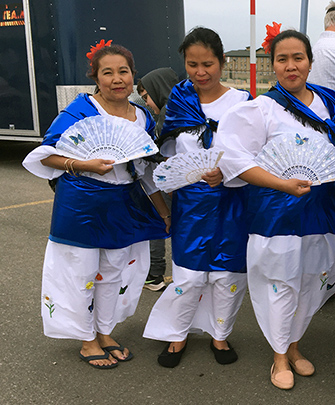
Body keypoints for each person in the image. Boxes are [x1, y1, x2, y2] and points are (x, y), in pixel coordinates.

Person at [214, 27, 335, 390]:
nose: (291, 66)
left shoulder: (331, 104)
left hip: (324, 212)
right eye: (282, 59)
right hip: (278, 213)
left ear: (310, 62)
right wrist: (281, 184)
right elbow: (234, 159)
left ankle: (293, 345)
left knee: (311, 281)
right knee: (279, 283)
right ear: (271, 65)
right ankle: (279, 356)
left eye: (298, 58)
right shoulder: (261, 108)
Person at [22, 42, 171, 369]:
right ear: (96, 77)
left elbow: (144, 170)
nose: (117, 79)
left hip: (123, 204)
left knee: (113, 273)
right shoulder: (80, 111)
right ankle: (86, 339)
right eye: (108, 73)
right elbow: (45, 155)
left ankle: (104, 331)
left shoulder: (142, 117)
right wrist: (86, 165)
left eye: (124, 71)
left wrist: (163, 210)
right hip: (82, 203)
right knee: (80, 273)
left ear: (133, 75)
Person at [142, 27, 253, 368]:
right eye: (192, 64)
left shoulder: (244, 102)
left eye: (207, 64)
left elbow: (255, 153)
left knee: (228, 274)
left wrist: (228, 173)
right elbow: (170, 152)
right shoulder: (180, 100)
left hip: (234, 201)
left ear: (223, 61)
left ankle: (220, 335)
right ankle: (178, 335)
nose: (200, 72)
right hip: (191, 203)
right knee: (188, 275)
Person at [136, 67, 180, 291]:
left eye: (146, 97)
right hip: (178, 181)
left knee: (160, 223)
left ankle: (154, 274)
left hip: (172, 182)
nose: (146, 104)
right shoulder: (187, 108)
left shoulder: (167, 115)